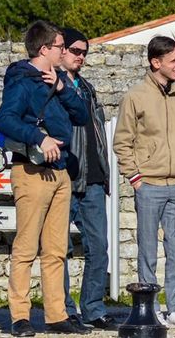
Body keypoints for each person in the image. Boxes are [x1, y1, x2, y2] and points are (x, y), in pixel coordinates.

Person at [0, 20, 91, 336]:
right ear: (44, 49)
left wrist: (63, 89)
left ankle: (56, 314)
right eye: (60, 47)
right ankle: (20, 317)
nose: (65, 51)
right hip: (32, 172)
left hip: (60, 173)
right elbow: (4, 119)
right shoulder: (22, 81)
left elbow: (82, 115)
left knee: (55, 249)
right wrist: (38, 137)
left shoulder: (60, 79)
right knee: (25, 247)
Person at [113, 36, 175, 329]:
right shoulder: (135, 96)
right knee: (147, 249)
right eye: (174, 60)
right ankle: (150, 308)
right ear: (156, 62)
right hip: (147, 184)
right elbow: (122, 141)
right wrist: (135, 177)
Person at [60, 28, 115, 331]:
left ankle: (93, 308)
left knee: (99, 246)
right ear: (61, 50)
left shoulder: (89, 88)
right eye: (75, 50)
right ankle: (65, 309)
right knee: (61, 249)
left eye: (84, 52)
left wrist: (105, 173)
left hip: (93, 181)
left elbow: (97, 136)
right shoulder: (53, 86)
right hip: (65, 178)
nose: (80, 56)